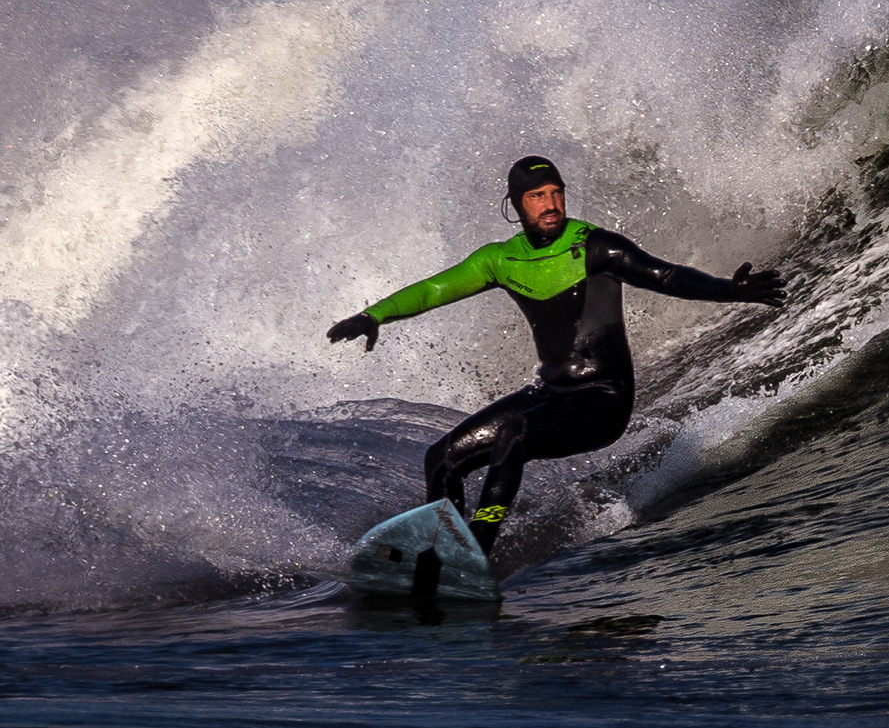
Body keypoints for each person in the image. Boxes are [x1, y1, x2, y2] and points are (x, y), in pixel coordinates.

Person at [327, 156, 787, 557]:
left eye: (556, 193)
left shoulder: (595, 246)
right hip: (550, 393)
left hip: (603, 399)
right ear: (515, 205)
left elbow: (665, 276)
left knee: (514, 435)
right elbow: (435, 289)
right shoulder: (500, 259)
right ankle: (441, 552)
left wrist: (731, 290)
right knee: (441, 458)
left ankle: (478, 547)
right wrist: (376, 315)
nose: (550, 204)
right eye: (537, 196)